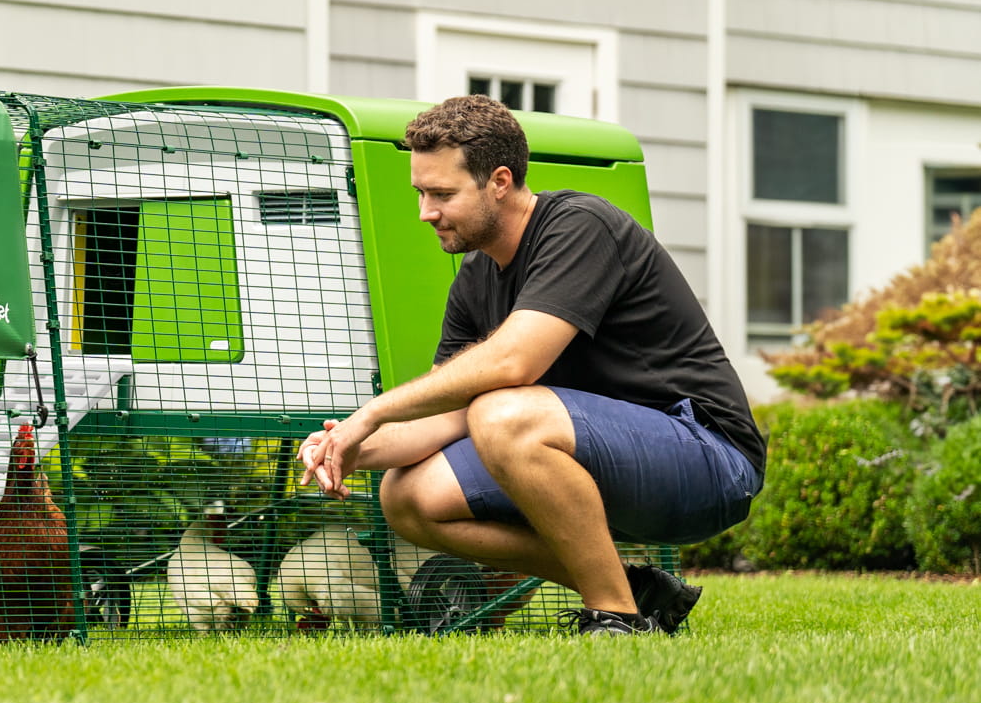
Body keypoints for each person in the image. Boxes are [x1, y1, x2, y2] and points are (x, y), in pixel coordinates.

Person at [298, 95, 765, 636]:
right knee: (407, 496)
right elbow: (451, 413)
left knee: (503, 413)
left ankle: (615, 617)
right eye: (421, 192)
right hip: (601, 458)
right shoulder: (475, 278)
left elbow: (515, 359)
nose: (426, 211)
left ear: (499, 180)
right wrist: (352, 448)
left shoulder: (580, 226)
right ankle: (637, 590)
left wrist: (373, 411)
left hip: (706, 456)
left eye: (442, 193)